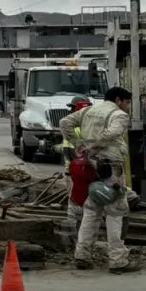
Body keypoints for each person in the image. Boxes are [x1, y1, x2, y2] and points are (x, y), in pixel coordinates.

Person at [59, 85, 139, 273]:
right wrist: (95, 146)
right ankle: (118, 260)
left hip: (92, 166)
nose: (128, 107)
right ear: (119, 100)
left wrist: (80, 145)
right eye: (127, 102)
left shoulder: (88, 110)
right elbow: (112, 133)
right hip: (111, 167)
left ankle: (82, 254)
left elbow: (64, 123)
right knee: (116, 212)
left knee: (92, 210)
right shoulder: (118, 115)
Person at [59, 95, 92, 243]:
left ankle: (74, 238)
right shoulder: (92, 126)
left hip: (75, 172)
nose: (70, 111)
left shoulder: (72, 126)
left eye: (72, 108)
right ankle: (83, 237)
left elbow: (68, 151)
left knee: (74, 206)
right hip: (87, 172)